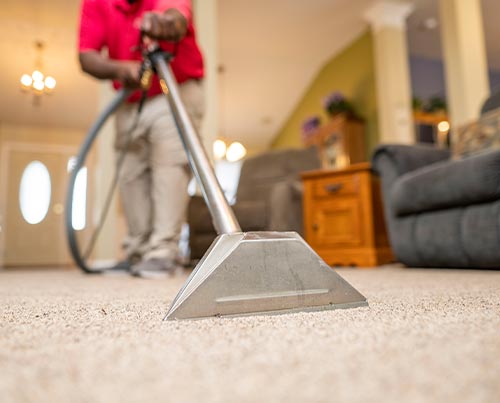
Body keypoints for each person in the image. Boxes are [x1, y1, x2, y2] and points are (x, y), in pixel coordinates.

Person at [78, 0, 204, 276]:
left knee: (169, 165)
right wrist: (120, 69)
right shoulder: (95, 3)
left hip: (175, 86)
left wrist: (167, 23)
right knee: (130, 171)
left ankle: (163, 251)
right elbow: (86, 55)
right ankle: (138, 250)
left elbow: (177, 14)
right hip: (130, 95)